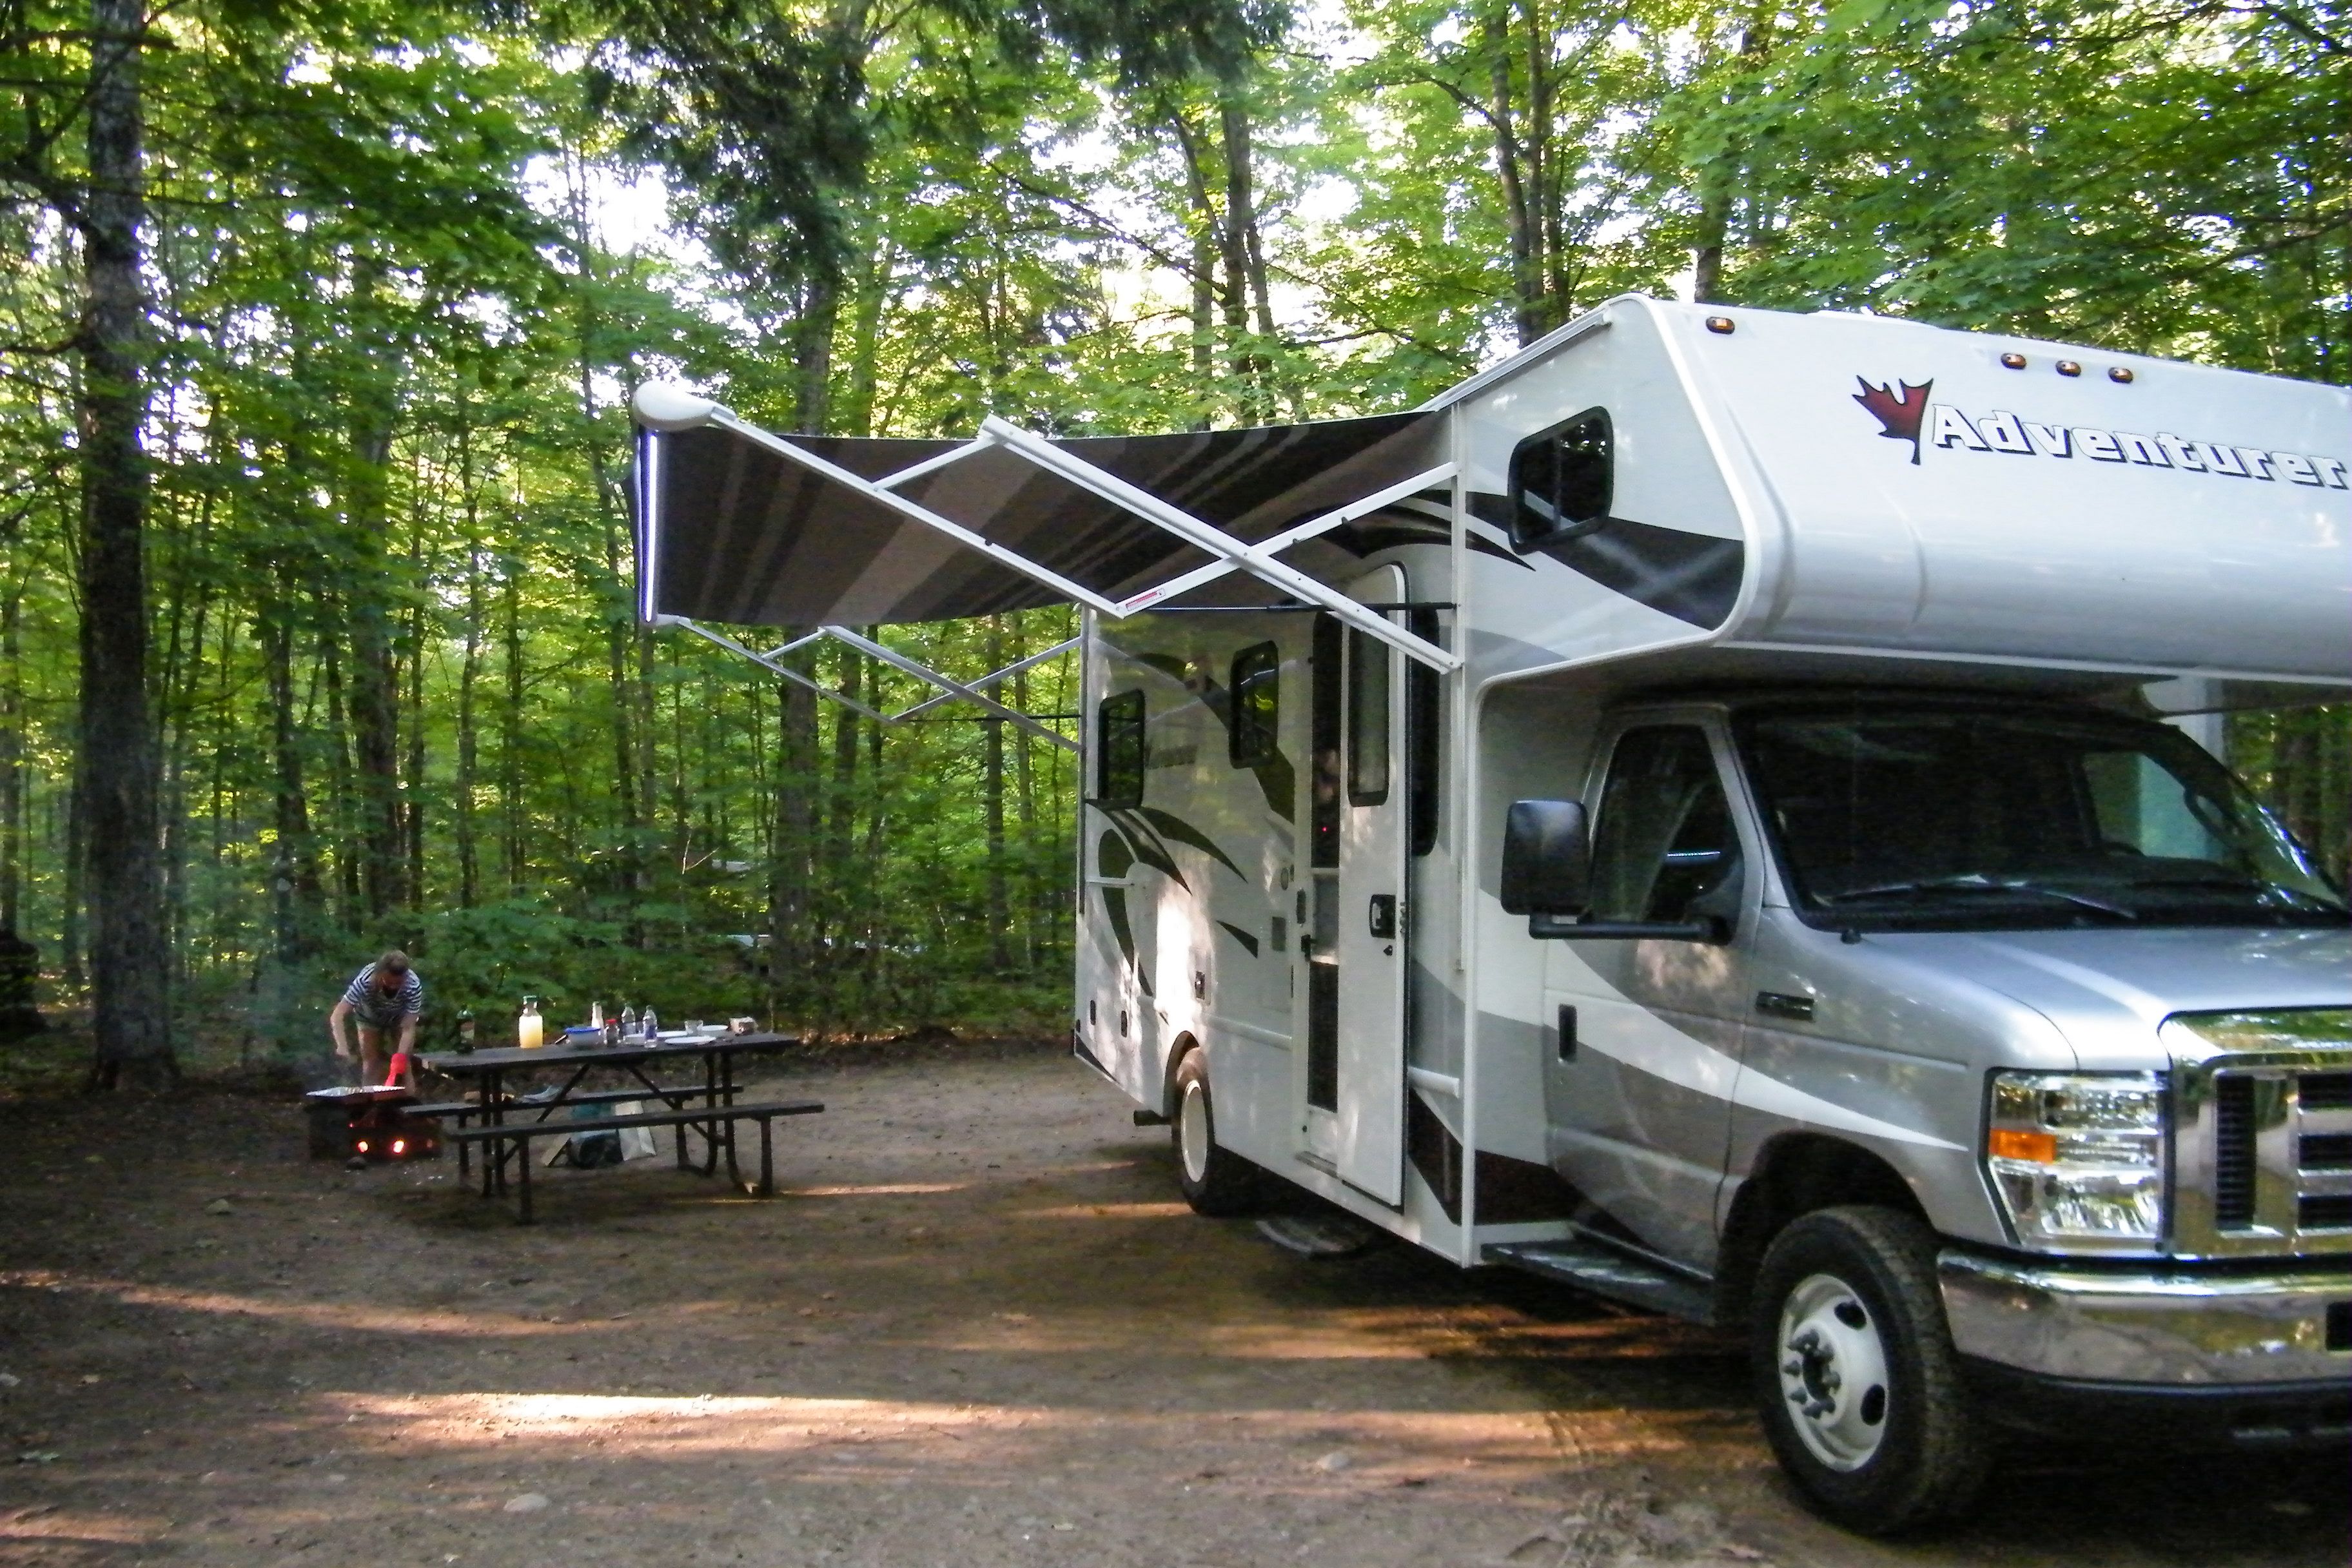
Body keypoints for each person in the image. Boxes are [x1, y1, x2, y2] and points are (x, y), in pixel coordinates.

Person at [330, 950, 424, 1090]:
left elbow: (408, 1027)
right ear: (380, 973)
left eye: (398, 983)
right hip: (369, 1017)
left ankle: (409, 1106)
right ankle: (369, 1104)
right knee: (371, 1063)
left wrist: (400, 1057)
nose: (393, 987)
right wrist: (342, 1046)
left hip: (399, 1018)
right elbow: (338, 1014)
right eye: (389, 981)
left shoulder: (413, 985)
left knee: (404, 1065)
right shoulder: (365, 981)